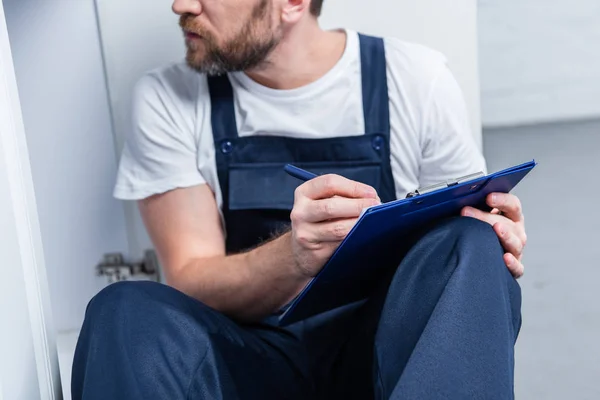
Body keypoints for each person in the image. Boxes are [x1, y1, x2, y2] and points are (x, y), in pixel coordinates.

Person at [72, 0, 528, 399]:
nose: (181, 5)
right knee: (123, 310)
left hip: (383, 353)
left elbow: (455, 252)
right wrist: (295, 256)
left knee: (470, 242)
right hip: (251, 360)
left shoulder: (414, 78)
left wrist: (492, 232)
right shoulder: (167, 97)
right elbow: (191, 278)